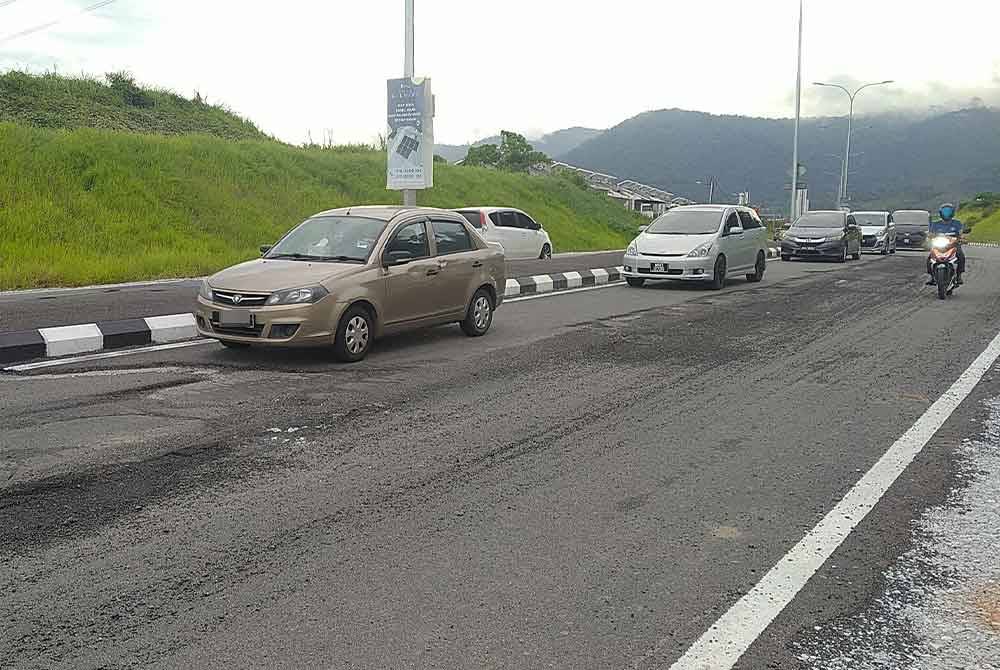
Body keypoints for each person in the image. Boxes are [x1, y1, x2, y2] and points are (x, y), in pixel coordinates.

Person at [926, 203, 966, 285]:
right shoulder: (935, 224)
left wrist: (962, 238)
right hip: (938, 244)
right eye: (945, 212)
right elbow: (930, 234)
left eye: (948, 212)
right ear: (941, 213)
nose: (946, 214)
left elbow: (961, 234)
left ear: (952, 213)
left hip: (953, 245)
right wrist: (928, 238)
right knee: (930, 258)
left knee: (961, 256)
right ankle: (932, 277)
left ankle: (959, 276)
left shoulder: (957, 223)